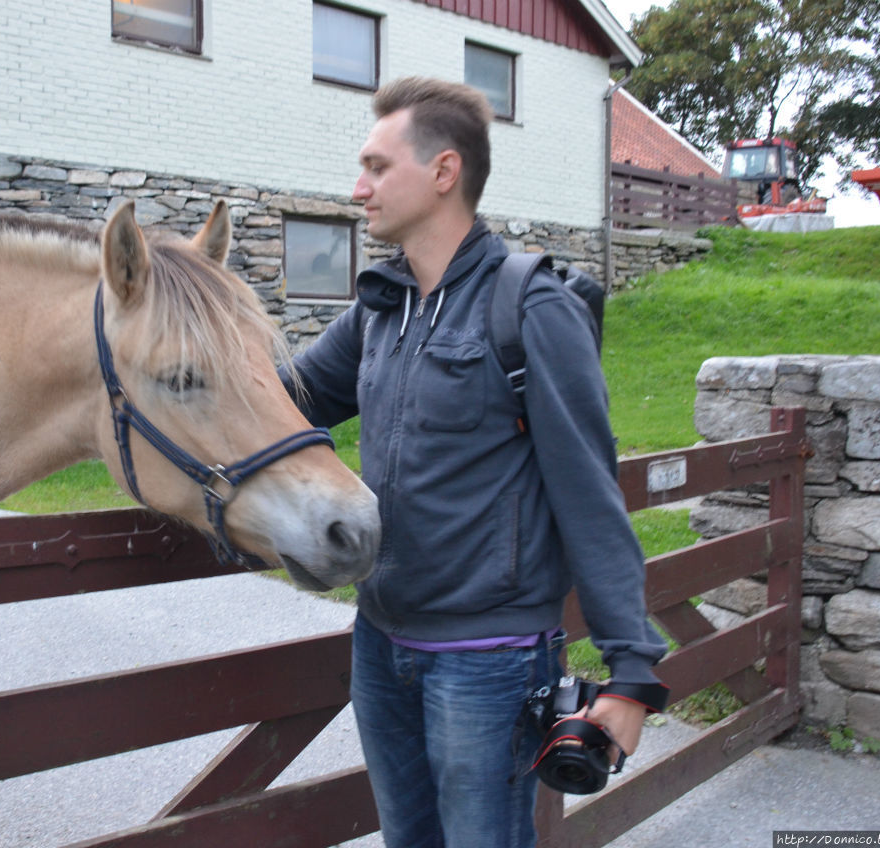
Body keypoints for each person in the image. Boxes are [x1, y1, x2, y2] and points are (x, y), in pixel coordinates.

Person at [280, 76, 667, 847]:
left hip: (487, 662)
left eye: (377, 167)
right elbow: (288, 399)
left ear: (444, 172)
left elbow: (590, 492)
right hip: (381, 641)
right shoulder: (380, 308)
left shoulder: (531, 306)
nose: (358, 189)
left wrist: (632, 674)